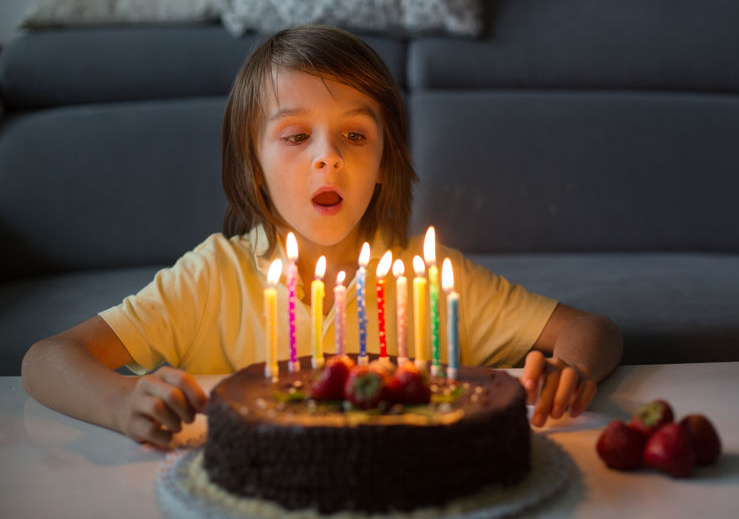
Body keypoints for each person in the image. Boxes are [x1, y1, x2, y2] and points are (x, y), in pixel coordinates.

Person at [22, 25, 622, 449]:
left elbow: (589, 330)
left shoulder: (428, 279)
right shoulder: (211, 279)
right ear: (253, 164)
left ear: (386, 159)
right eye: (295, 136)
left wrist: (572, 371)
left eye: (355, 136)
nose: (327, 159)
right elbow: (49, 359)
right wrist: (119, 404)